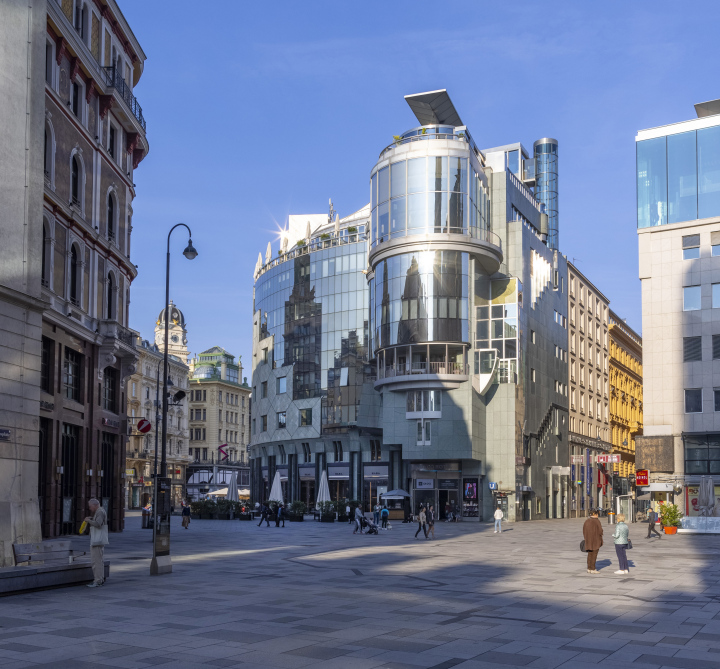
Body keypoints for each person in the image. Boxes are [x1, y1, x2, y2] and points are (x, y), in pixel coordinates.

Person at [84, 498, 108, 588]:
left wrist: (88, 520)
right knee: (98, 561)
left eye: (90, 506)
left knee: (96, 561)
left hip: (97, 541)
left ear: (94, 505)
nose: (90, 508)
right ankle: (99, 579)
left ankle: (98, 580)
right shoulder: (100, 511)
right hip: (98, 540)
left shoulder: (100, 512)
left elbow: (98, 524)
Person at [583, 509, 604, 574]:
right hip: (596, 540)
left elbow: (584, 531)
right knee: (594, 554)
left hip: (588, 540)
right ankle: (593, 569)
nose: (598, 515)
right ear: (594, 514)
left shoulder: (586, 521)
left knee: (590, 554)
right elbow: (600, 531)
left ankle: (589, 568)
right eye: (597, 514)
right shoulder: (596, 521)